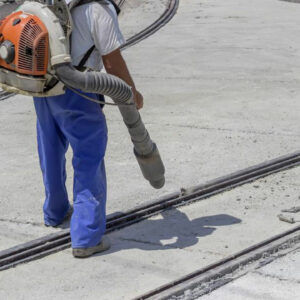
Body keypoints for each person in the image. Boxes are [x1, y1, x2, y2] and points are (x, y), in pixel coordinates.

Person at [33, 0, 143, 258]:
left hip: (44, 87)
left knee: (50, 148)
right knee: (88, 157)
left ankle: (55, 211)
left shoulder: (52, 2)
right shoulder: (98, 9)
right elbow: (112, 62)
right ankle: (86, 236)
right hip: (79, 91)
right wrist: (131, 94)